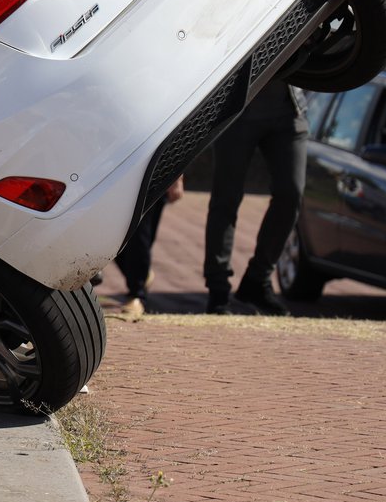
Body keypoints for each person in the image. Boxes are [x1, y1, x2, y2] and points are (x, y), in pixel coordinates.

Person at [203, 78, 307, 314]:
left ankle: (257, 280)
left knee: (291, 194)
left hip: (289, 109)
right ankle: (218, 290)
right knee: (226, 199)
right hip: (236, 107)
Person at [103, 175, 184, 320]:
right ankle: (140, 278)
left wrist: (177, 177)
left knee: (141, 234)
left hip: (154, 172)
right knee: (111, 236)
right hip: (117, 172)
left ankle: (137, 295)